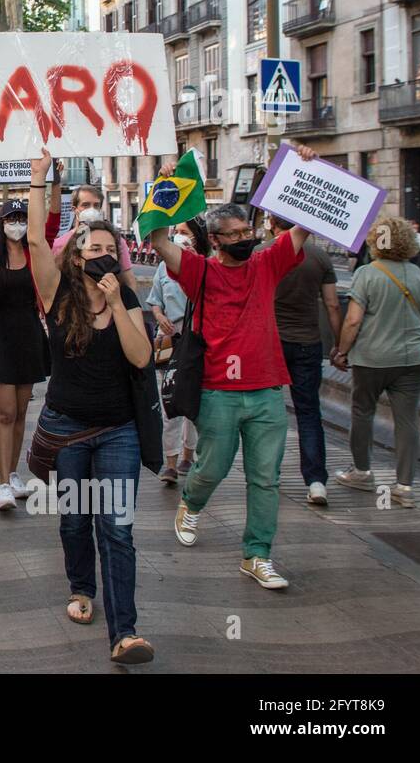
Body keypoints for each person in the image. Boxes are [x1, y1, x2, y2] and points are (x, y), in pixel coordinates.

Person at [149, 144, 320, 591]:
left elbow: (305, 225)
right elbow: (159, 239)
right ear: (217, 239)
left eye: (250, 229)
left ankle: (257, 554)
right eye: (237, 232)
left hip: (266, 389)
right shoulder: (198, 270)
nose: (248, 237)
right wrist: (167, 185)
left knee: (266, 478)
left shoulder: (267, 264)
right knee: (212, 467)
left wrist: (307, 168)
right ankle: (191, 501)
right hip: (217, 391)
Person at [26, 152, 155, 665]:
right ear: (76, 256)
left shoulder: (126, 296)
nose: (102, 254)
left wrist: (120, 303)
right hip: (68, 428)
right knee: (77, 521)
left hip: (119, 429)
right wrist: (41, 179)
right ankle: (82, 587)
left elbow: (142, 357)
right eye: (92, 247)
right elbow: (36, 240)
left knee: (117, 528)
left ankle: (125, 633)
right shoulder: (56, 294)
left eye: (110, 248)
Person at [332, 216, 420, 509]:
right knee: (407, 420)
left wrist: (341, 351)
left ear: (375, 241)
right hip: (413, 359)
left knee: (363, 411)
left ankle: (362, 472)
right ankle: (404, 486)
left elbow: (353, 321)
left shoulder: (367, 273)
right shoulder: (414, 272)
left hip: (373, 359)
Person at [0, 181, 51, 511]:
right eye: (10, 219)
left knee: (20, 414)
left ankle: (14, 474)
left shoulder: (35, 251)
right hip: (0, 334)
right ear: (2, 225)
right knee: (4, 414)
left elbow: (53, 222)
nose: (16, 224)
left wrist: (52, 185)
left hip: (29, 334)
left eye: (21, 218)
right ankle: (3, 484)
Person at [262, 214, 342, 506]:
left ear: (272, 222)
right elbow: (332, 304)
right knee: (308, 412)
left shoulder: (262, 254)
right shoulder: (319, 256)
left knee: (268, 414)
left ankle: (268, 474)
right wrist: (340, 346)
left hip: (270, 344)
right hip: (308, 343)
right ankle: (316, 481)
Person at [144, 225, 198, 485]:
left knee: (194, 403)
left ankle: (189, 454)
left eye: (187, 231)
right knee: (169, 402)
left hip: (197, 342)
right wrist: (160, 316)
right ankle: (171, 462)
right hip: (170, 340)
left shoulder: (203, 266)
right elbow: (154, 301)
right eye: (178, 230)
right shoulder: (164, 268)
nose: (181, 235)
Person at [52, 184, 136, 293]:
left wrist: (130, 306)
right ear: (75, 209)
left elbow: (129, 279)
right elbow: (52, 278)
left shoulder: (116, 240)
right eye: (86, 205)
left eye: (96, 205)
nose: (91, 210)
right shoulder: (59, 243)